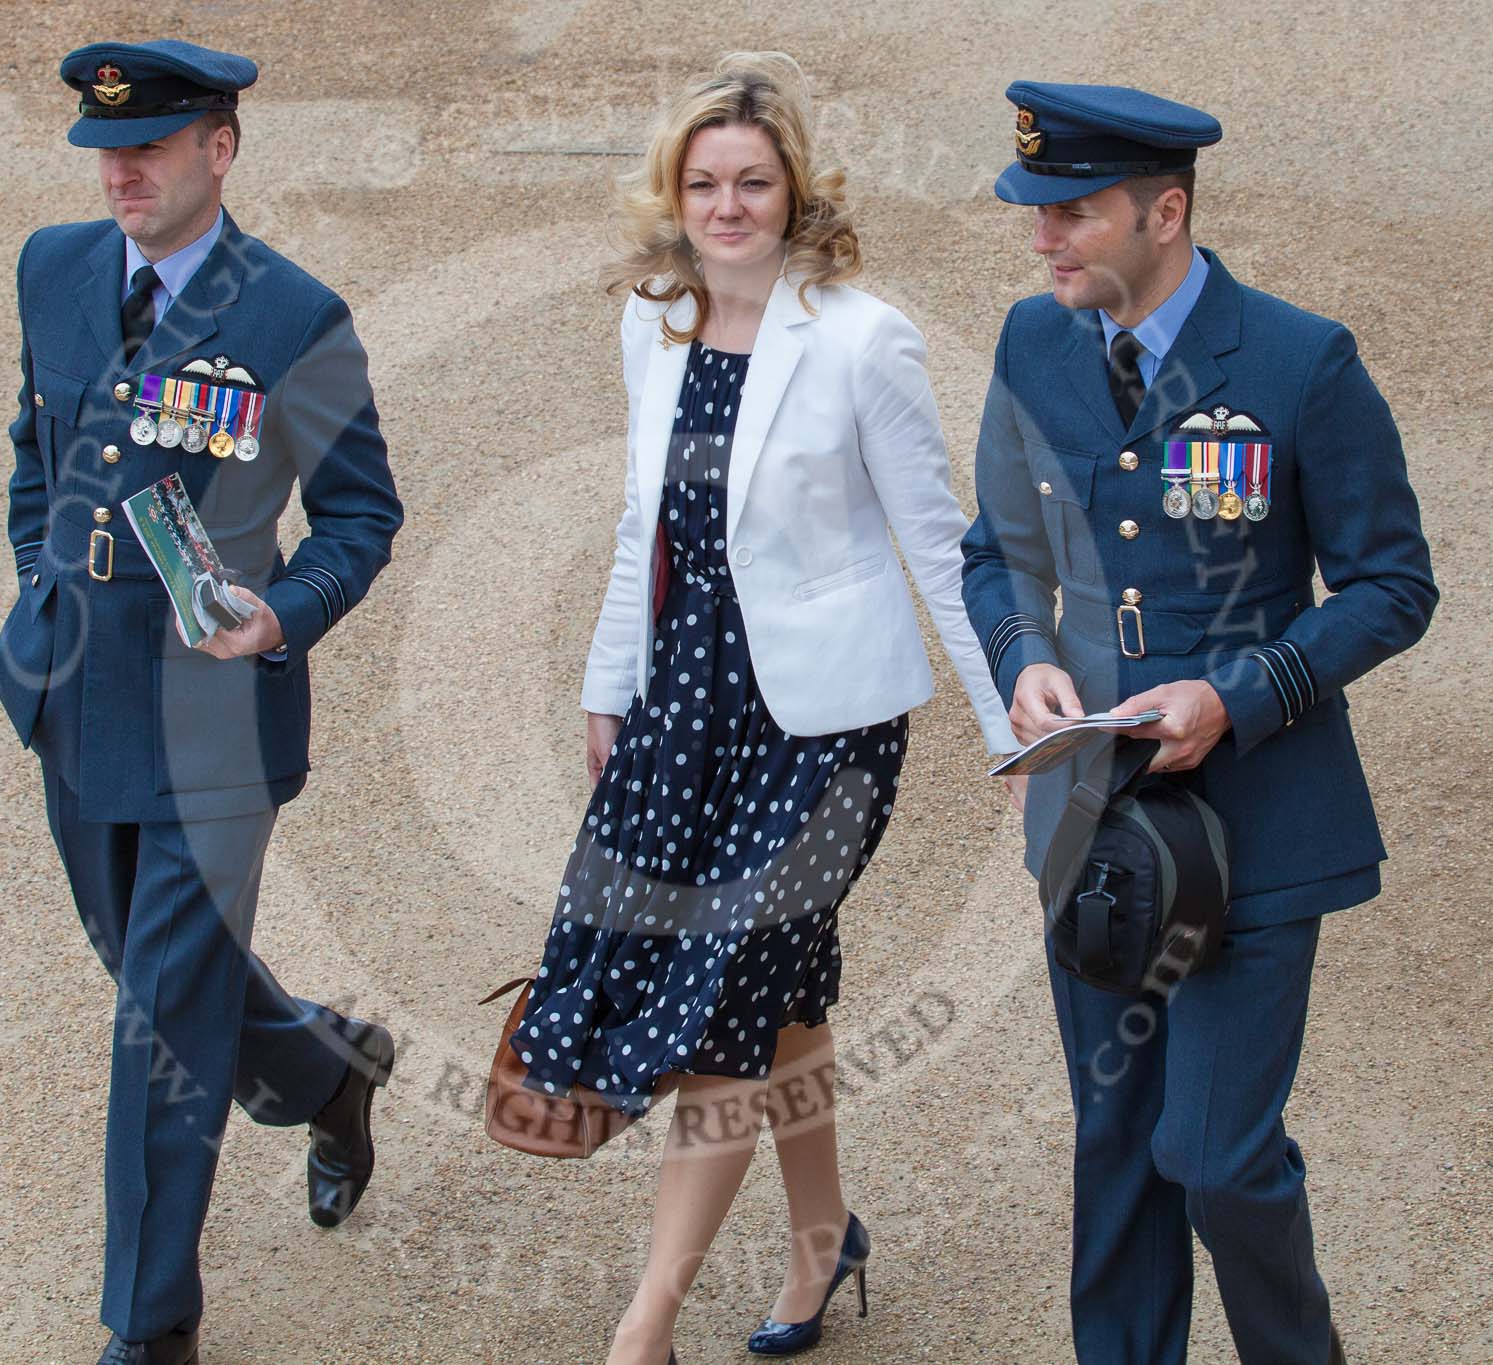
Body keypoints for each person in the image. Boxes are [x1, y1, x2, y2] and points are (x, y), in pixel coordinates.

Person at [505, 52, 1018, 1365]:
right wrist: (605, 686)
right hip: (682, 709)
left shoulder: (862, 336)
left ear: (796, 191)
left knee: (726, 990)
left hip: (826, 731)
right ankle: (820, 1236)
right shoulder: (655, 321)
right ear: (674, 196)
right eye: (704, 181)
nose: (727, 203)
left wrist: (1019, 723)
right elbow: (645, 527)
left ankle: (645, 1323)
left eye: (752, 180)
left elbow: (939, 538)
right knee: (779, 989)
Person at [960, 82, 1438, 1364]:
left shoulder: (1297, 362)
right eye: (1035, 213)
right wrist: (1019, 663)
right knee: (1114, 1147)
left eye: (1072, 213)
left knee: (1212, 1156)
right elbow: (995, 552)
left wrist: (1240, 693)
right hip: (1094, 819)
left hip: (1258, 826)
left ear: (1163, 212)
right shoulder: (1031, 341)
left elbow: (1393, 585)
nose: (1042, 238)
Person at [0, 40, 403, 1365]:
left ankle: (149, 1323)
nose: (122, 169)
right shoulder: (53, 272)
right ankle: (328, 1073)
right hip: (76, 695)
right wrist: (37, 586)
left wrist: (284, 613)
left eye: (152, 146)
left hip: (215, 722)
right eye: (108, 149)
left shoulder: (291, 317)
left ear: (219, 150)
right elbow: (32, 450)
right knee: (152, 970)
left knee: (159, 1018)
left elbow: (360, 513)